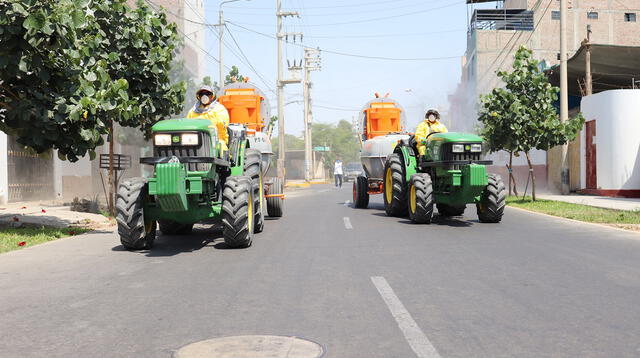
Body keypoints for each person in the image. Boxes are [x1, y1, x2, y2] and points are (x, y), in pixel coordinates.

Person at [186, 85, 230, 150]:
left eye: (207, 93)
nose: (204, 96)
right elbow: (187, 126)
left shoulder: (219, 109)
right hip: (195, 142)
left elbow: (223, 126)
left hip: (217, 141)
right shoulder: (192, 111)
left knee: (220, 148)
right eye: (202, 94)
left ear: (212, 96)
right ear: (199, 97)